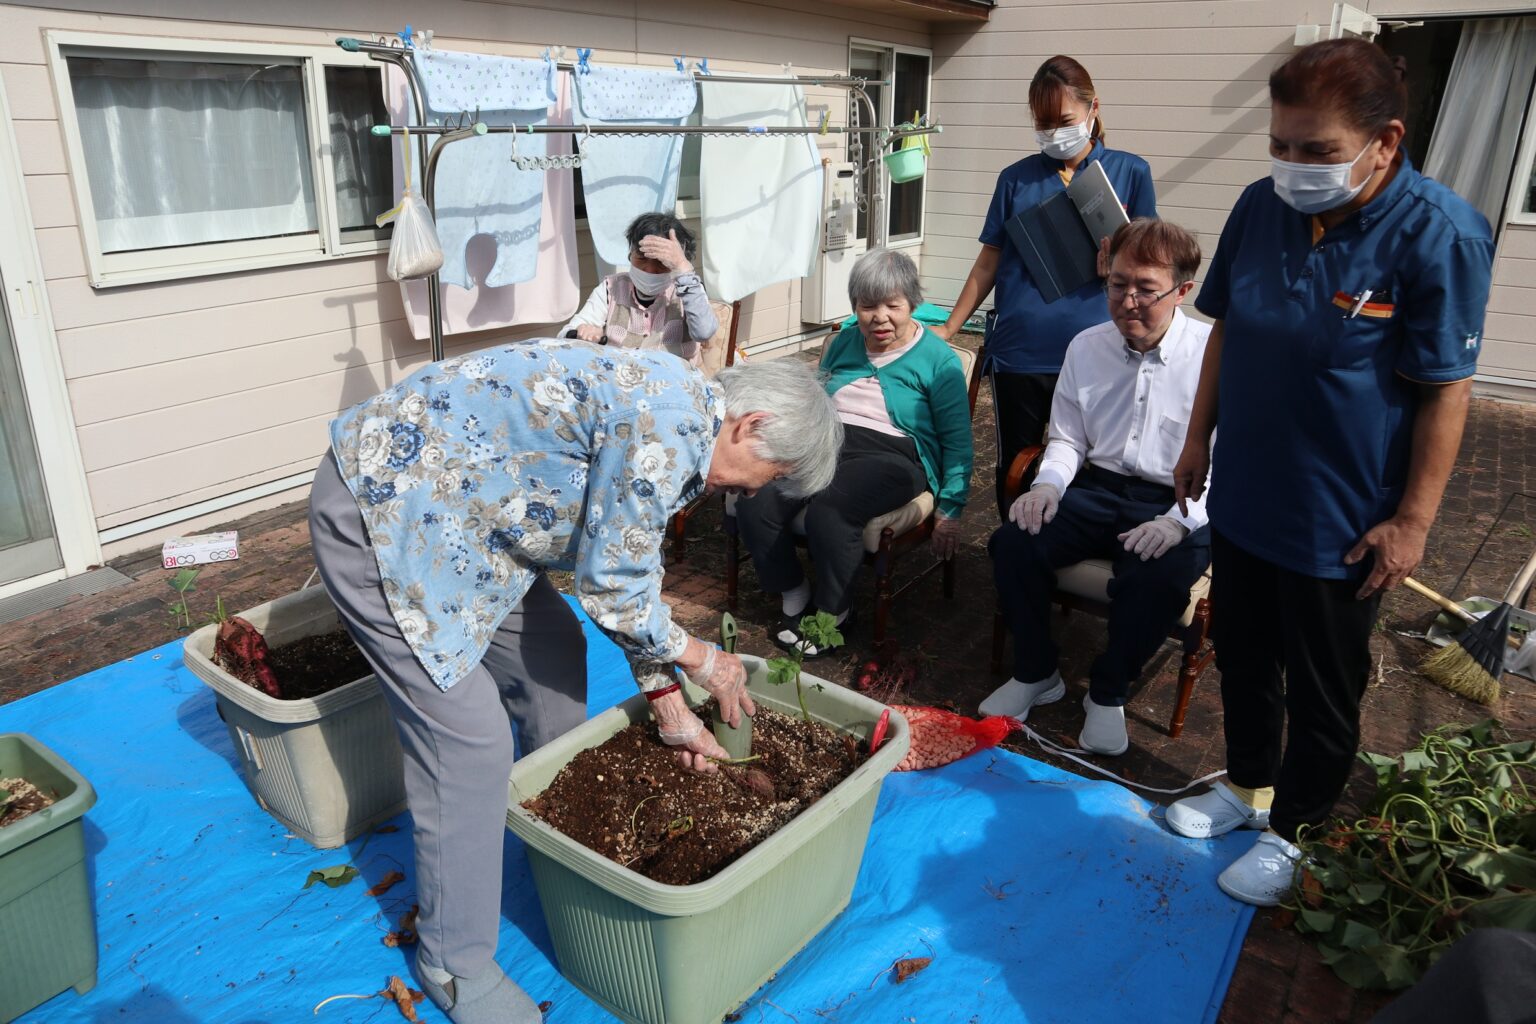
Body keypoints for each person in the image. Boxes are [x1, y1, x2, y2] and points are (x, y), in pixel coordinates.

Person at [308, 340, 841, 1024]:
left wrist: (668, 703)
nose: (754, 493)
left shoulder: (682, 408)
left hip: (468, 520)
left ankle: (548, 836)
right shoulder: (670, 428)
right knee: (467, 743)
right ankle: (452, 961)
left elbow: (627, 570)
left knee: (555, 650)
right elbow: (614, 590)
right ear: (752, 424)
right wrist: (703, 659)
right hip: (385, 514)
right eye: (768, 475)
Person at [1164, 39, 1494, 907]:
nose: (1292, 166)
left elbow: (1445, 392)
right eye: (1279, 144)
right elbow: (1225, 330)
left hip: (1340, 519)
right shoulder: (1258, 207)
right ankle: (1246, 786)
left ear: (1385, 141)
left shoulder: (1440, 233)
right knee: (1240, 653)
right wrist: (1198, 439)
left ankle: (1296, 831)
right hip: (1246, 493)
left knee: (1322, 686)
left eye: (1316, 151)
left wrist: (1414, 521)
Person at [982, 219, 1212, 756]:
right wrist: (1046, 487)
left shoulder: (1211, 355)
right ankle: (1037, 671)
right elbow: (1066, 440)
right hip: (1095, 488)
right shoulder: (1086, 346)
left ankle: (1108, 692)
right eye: (1117, 283)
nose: (1128, 301)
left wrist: (1178, 522)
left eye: (1146, 289)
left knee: (1157, 577)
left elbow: (1228, 465)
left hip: (1177, 496)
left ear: (1183, 291)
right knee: (1013, 543)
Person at [932, 55, 1156, 517]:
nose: (1055, 132)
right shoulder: (1015, 179)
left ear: (1094, 109)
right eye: (1043, 123)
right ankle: (1016, 545)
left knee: (1092, 459)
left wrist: (1119, 265)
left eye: (1065, 120)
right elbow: (988, 260)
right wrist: (950, 329)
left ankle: (1067, 546)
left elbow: (1153, 263)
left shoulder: (1131, 172)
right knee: (1017, 461)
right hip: (1022, 350)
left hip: (1102, 346)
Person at [735, 248, 973, 657]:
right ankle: (793, 587)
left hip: (893, 456)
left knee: (833, 508)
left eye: (892, 305)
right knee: (759, 495)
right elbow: (813, 396)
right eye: (867, 306)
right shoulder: (846, 341)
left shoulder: (939, 361)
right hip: (829, 441)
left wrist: (950, 507)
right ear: (855, 308)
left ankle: (833, 613)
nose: (880, 317)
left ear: (912, 303)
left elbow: (957, 439)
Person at [560, 212, 718, 366]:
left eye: (661, 262)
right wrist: (582, 331)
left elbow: (704, 332)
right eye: (641, 259)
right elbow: (564, 336)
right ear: (630, 254)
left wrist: (683, 267)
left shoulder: (688, 289)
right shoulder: (611, 288)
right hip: (621, 381)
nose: (649, 269)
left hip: (674, 382)